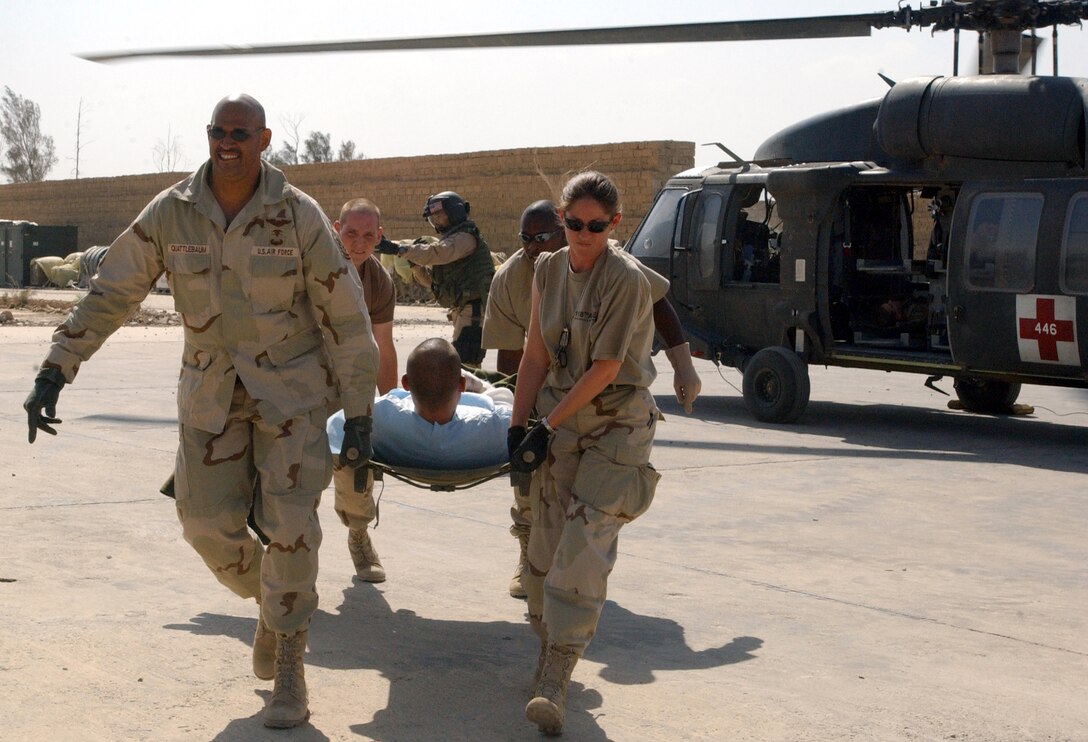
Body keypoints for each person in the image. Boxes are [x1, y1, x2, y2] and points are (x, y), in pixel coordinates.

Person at [23, 94, 379, 729]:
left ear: (264, 139)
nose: (227, 142)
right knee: (203, 527)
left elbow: (346, 316)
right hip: (211, 398)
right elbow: (112, 290)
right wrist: (57, 367)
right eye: (218, 131)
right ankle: (272, 605)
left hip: (291, 398)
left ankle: (291, 672)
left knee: (293, 527)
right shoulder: (173, 212)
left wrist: (359, 412)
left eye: (240, 132)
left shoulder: (297, 214)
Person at [483, 199, 701, 599]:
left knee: (591, 513)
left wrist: (683, 365)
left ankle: (571, 591)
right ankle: (528, 555)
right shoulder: (515, 278)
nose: (533, 247)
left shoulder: (614, 268)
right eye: (525, 239)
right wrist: (519, 415)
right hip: (549, 396)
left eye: (542, 236)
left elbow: (659, 303)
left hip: (606, 400)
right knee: (531, 481)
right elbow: (517, 355)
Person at [509, 171, 662, 734]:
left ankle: (557, 674)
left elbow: (605, 369)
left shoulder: (624, 278)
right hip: (560, 423)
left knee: (582, 545)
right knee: (542, 550)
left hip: (615, 424)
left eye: (596, 226)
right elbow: (533, 354)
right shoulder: (548, 270)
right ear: (561, 219)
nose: (583, 235)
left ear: (614, 225)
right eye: (573, 224)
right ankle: (547, 648)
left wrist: (545, 422)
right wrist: (516, 425)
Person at [330, 198, 398, 583]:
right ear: (336, 228)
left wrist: (391, 406)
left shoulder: (379, 282)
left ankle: (359, 537)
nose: (359, 242)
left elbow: (383, 345)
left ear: (379, 236)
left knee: (356, 459)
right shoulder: (314, 266)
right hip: (301, 382)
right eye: (351, 233)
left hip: (350, 384)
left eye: (368, 235)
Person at [329, 337, 512, 473]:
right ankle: (472, 383)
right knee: (491, 396)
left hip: (404, 443)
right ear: (462, 386)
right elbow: (507, 399)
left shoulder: (379, 419)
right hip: (475, 421)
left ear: (406, 383)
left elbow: (335, 427)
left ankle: (357, 523)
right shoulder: (498, 426)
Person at [378, 191, 494, 366]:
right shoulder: (451, 242)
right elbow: (432, 283)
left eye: (440, 216)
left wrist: (399, 249)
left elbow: (437, 252)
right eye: (433, 218)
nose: (437, 222)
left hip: (474, 309)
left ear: (455, 213)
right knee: (462, 363)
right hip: (461, 309)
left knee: (467, 363)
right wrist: (416, 266)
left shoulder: (465, 238)